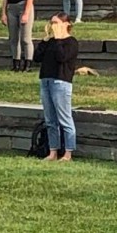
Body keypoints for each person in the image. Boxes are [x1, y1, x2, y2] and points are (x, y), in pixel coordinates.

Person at [34, 13, 80, 162]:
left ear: (66, 24)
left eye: (56, 23)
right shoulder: (50, 42)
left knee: (64, 118)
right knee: (50, 120)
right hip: (46, 80)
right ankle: (52, 151)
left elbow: (62, 57)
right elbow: (37, 57)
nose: (53, 25)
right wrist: (45, 39)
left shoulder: (71, 42)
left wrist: (59, 39)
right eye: (51, 22)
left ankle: (68, 152)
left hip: (60, 82)